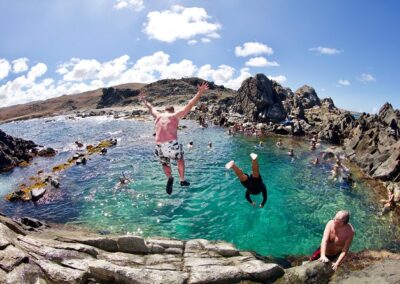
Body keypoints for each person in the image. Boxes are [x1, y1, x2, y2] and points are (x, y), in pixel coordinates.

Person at [139, 82, 209, 194]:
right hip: (171, 144)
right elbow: (190, 105)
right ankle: (182, 180)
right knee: (180, 159)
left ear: (165, 110)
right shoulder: (175, 115)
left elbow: (151, 107)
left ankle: (170, 177)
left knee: (165, 163)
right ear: (172, 111)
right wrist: (200, 92)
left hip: (159, 146)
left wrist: (143, 100)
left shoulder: (158, 115)